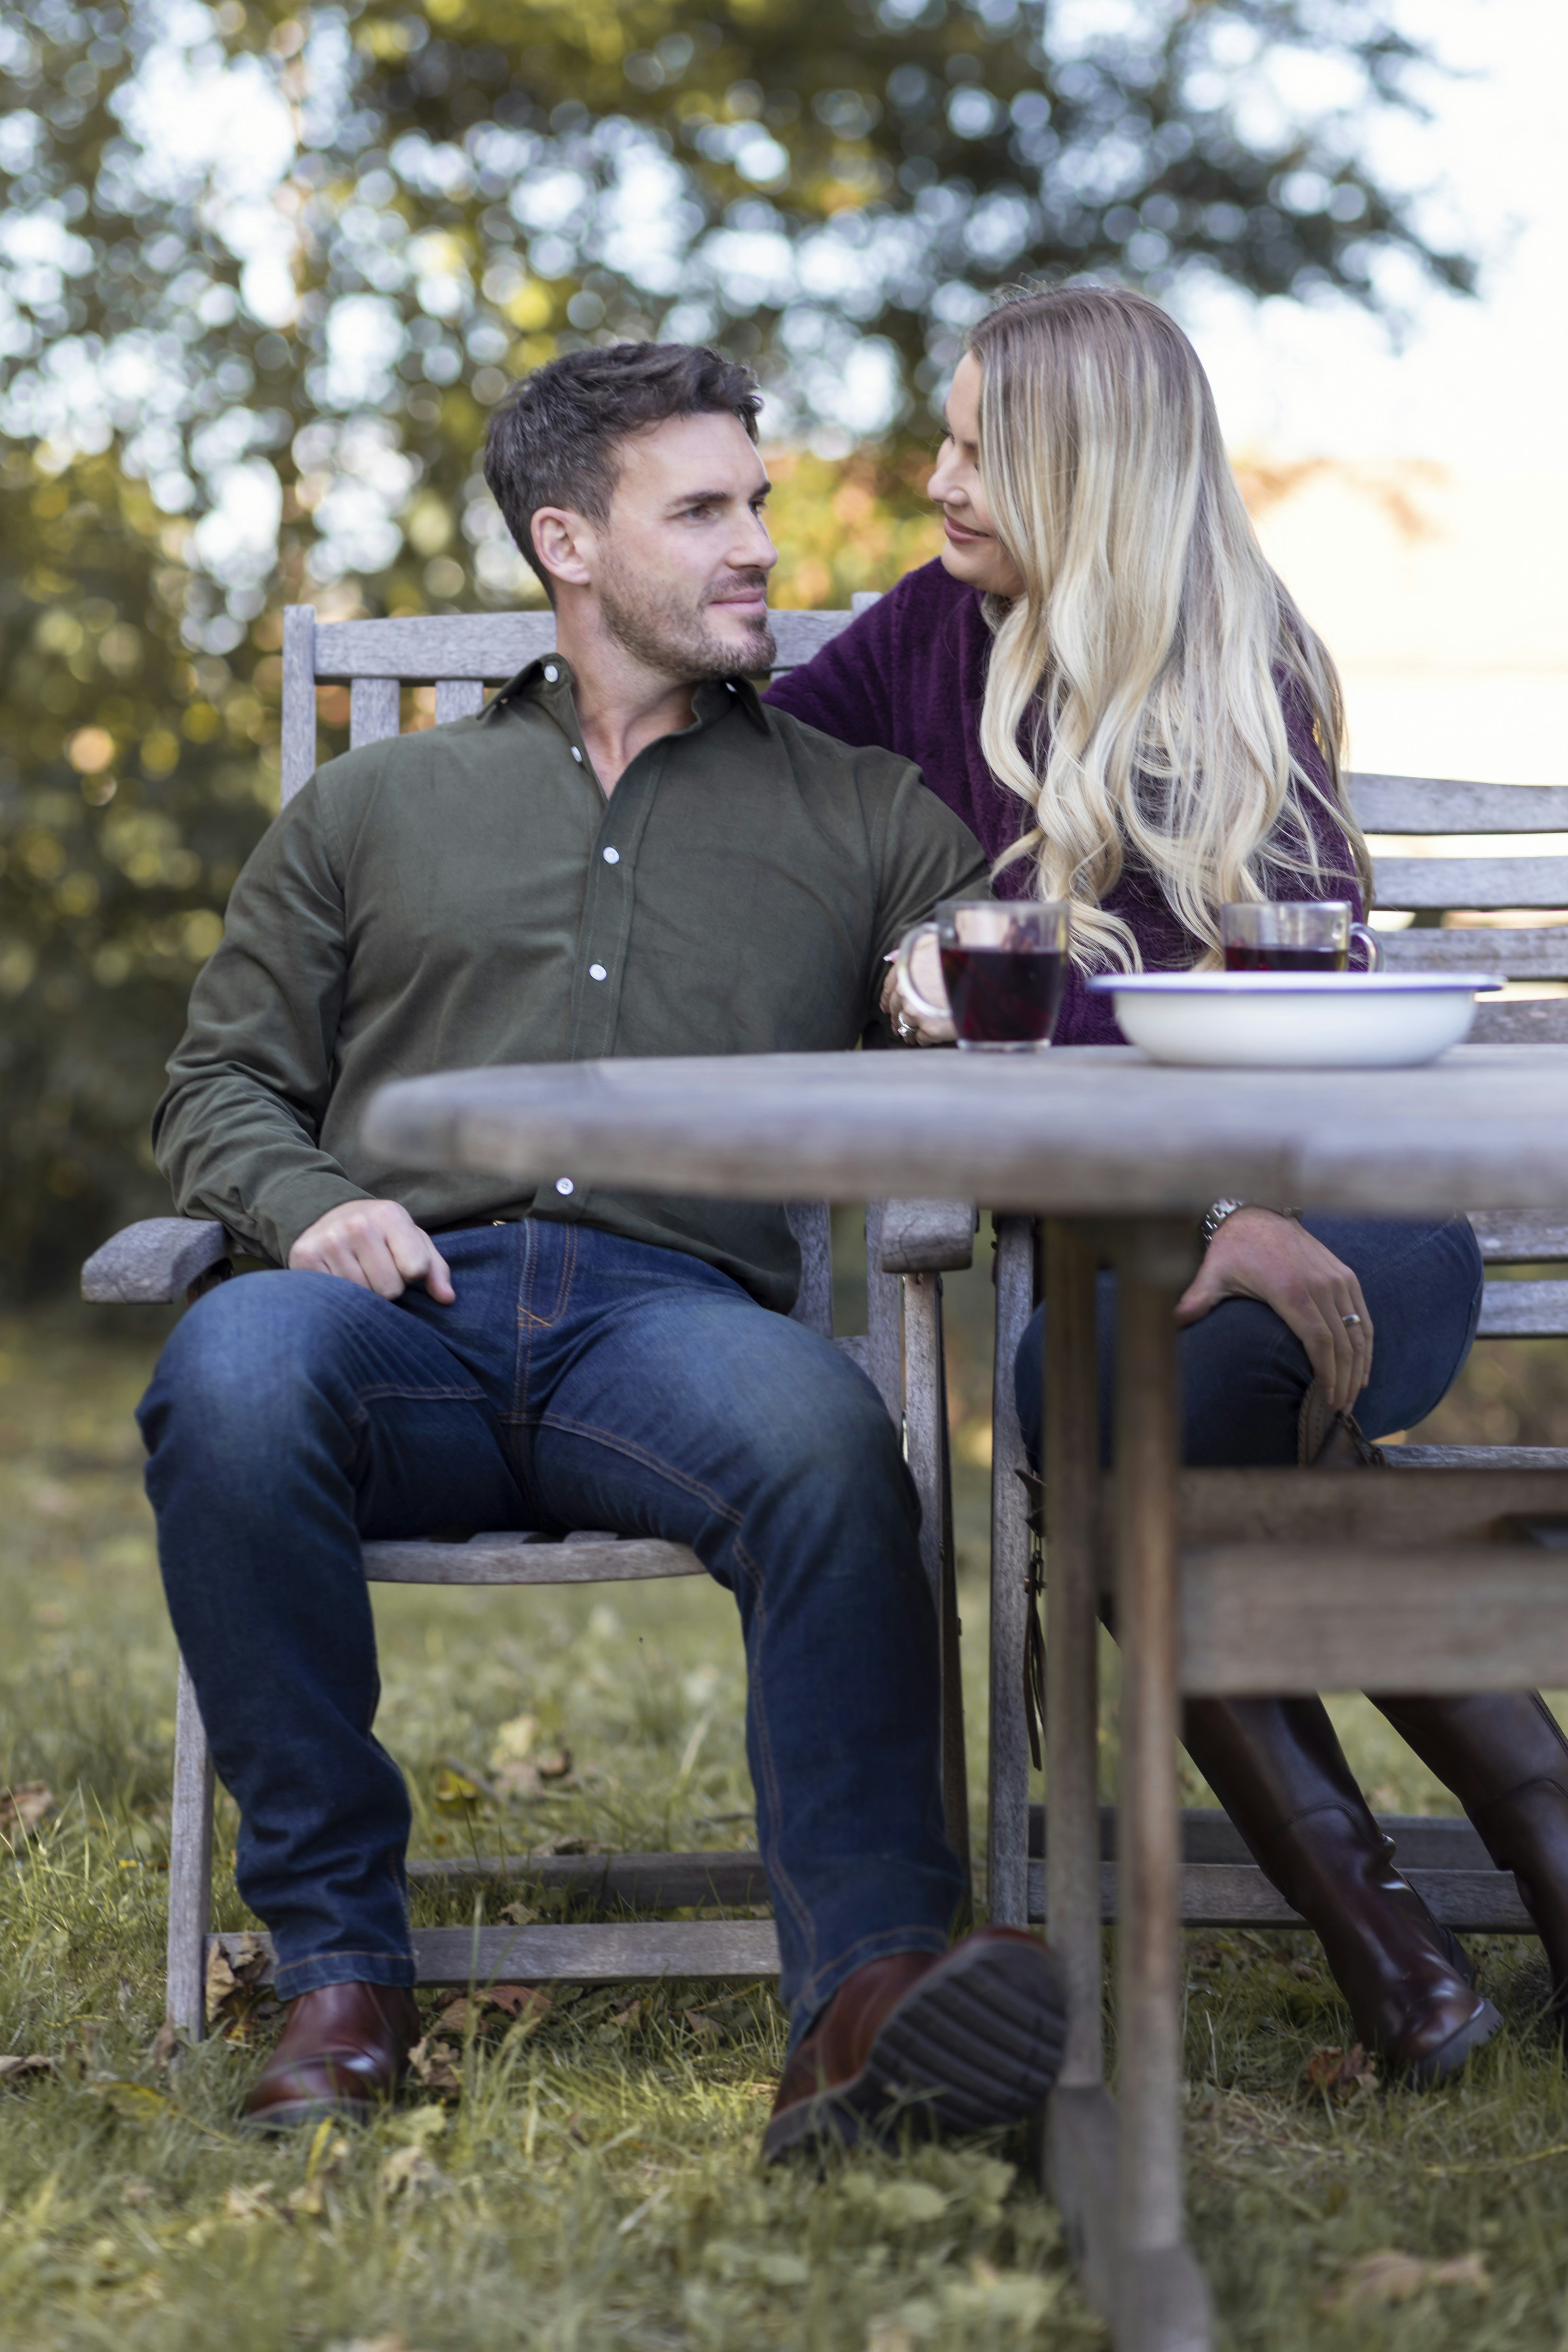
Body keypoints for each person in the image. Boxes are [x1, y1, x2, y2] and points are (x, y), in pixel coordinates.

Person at [137, 341, 1069, 2150]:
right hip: (394, 1304)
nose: (758, 552)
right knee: (227, 1371)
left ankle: (869, 2004)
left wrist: (940, 978)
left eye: (758, 506)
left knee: (825, 1435)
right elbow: (219, 1083)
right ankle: (340, 1966)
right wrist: (310, 1204)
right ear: (568, 540)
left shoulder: (857, 808)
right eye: (703, 511)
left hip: (674, 1325)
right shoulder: (373, 807)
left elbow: (986, 976)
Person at [768, 285, 1568, 2084]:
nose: (939, 474)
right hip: (1148, 1255)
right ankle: (1478, 1919)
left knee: (1112, 1427)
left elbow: (1297, 1020)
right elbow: (766, 808)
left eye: (979, 444)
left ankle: (1409, 1970)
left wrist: (1236, 1209)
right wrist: (904, 963)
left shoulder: (1245, 664)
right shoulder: (923, 641)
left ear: (1083, 465)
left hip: (1351, 1219)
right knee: (1121, 1412)